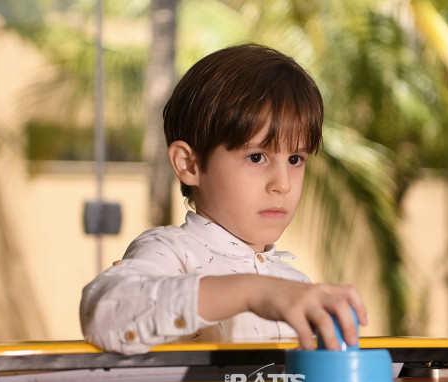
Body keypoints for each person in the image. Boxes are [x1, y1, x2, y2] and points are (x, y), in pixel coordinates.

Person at [80, 43, 367, 355]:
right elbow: (104, 313)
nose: (283, 184)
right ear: (189, 164)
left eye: (295, 159)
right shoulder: (171, 252)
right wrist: (252, 292)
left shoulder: (292, 284)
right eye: (256, 157)